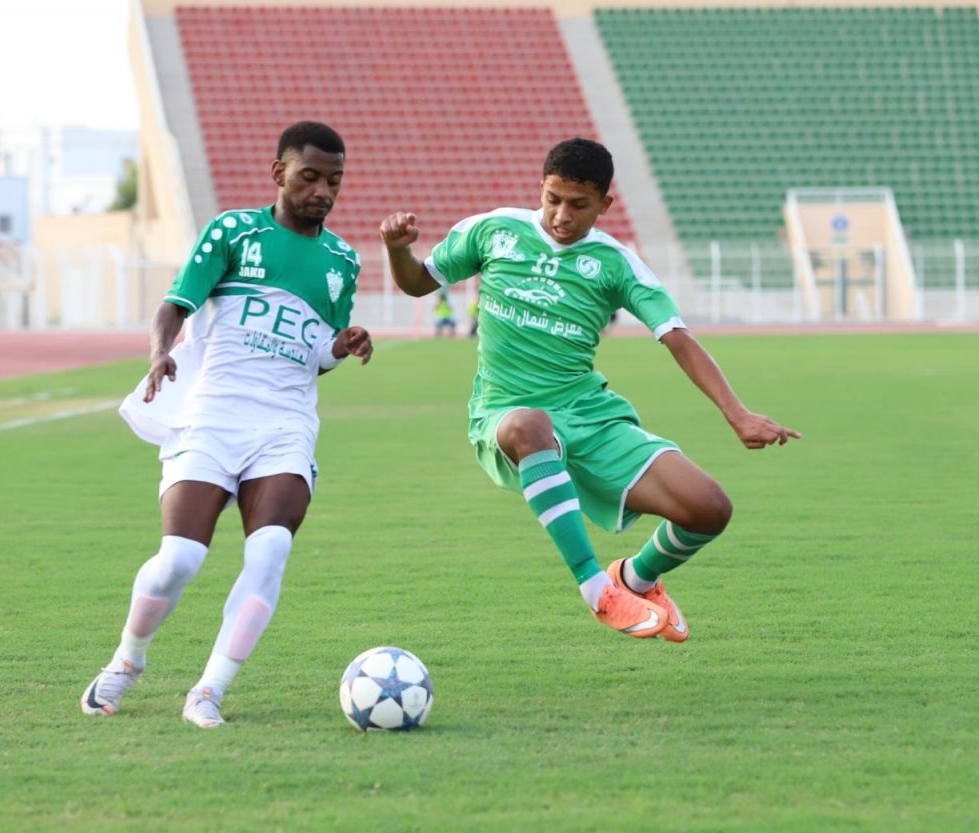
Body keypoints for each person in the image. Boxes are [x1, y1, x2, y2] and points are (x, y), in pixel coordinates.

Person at [379, 137, 799, 642]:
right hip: (504, 411)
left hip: (589, 414)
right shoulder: (493, 230)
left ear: (605, 204)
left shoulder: (616, 263)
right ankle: (597, 590)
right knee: (531, 424)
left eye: (579, 205)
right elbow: (418, 283)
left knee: (709, 509)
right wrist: (397, 249)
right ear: (541, 187)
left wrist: (738, 414)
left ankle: (635, 579)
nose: (562, 215)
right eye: (553, 199)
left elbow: (678, 339)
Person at [82, 121, 373, 728]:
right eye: (310, 177)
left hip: (285, 425)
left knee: (269, 551)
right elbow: (176, 304)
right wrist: (159, 353)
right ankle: (127, 660)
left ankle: (209, 690)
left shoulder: (344, 260)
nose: (323, 191)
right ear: (279, 173)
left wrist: (341, 346)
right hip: (213, 416)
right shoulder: (234, 232)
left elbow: (317, 353)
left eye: (334, 180)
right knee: (179, 559)